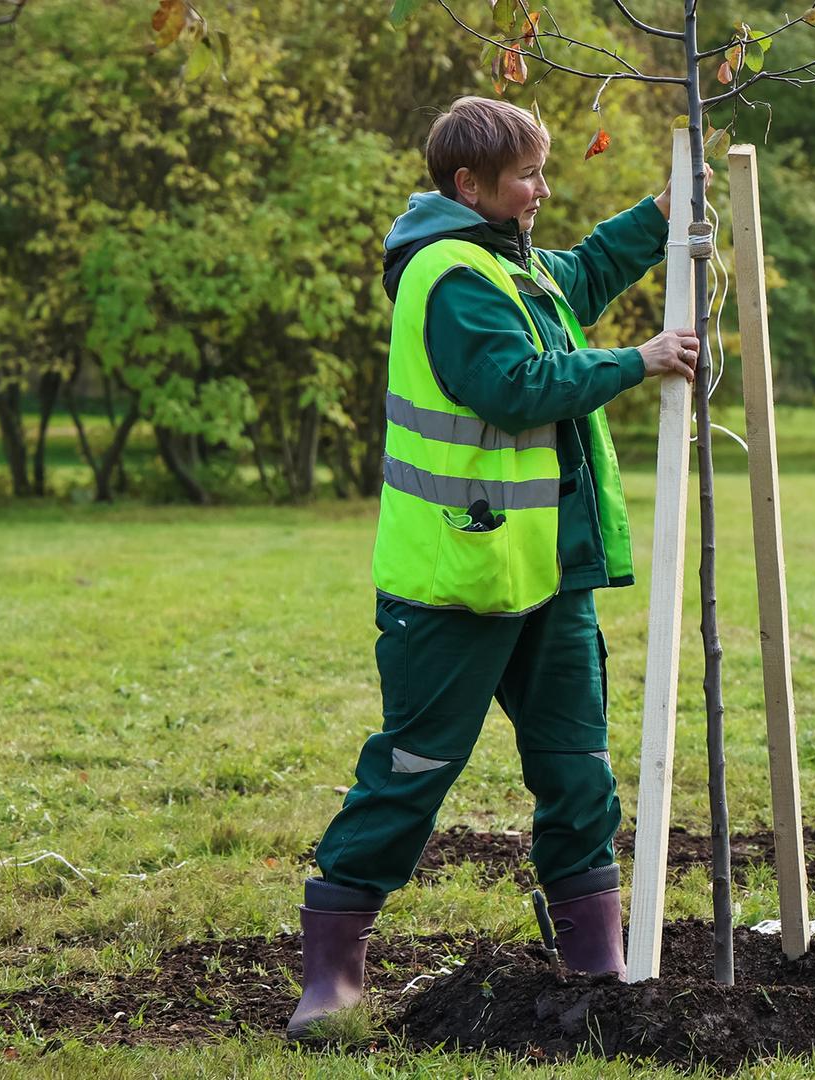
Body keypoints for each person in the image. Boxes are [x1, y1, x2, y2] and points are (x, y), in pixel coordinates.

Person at [287, 96, 701, 1038]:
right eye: (527, 176)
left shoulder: (513, 270)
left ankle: (594, 963)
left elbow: (585, 271)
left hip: (544, 576)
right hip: (454, 583)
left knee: (576, 768)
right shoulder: (450, 275)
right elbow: (512, 389)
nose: (542, 190)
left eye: (543, 171)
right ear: (469, 185)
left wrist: (662, 210)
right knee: (414, 769)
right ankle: (333, 969)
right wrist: (638, 362)